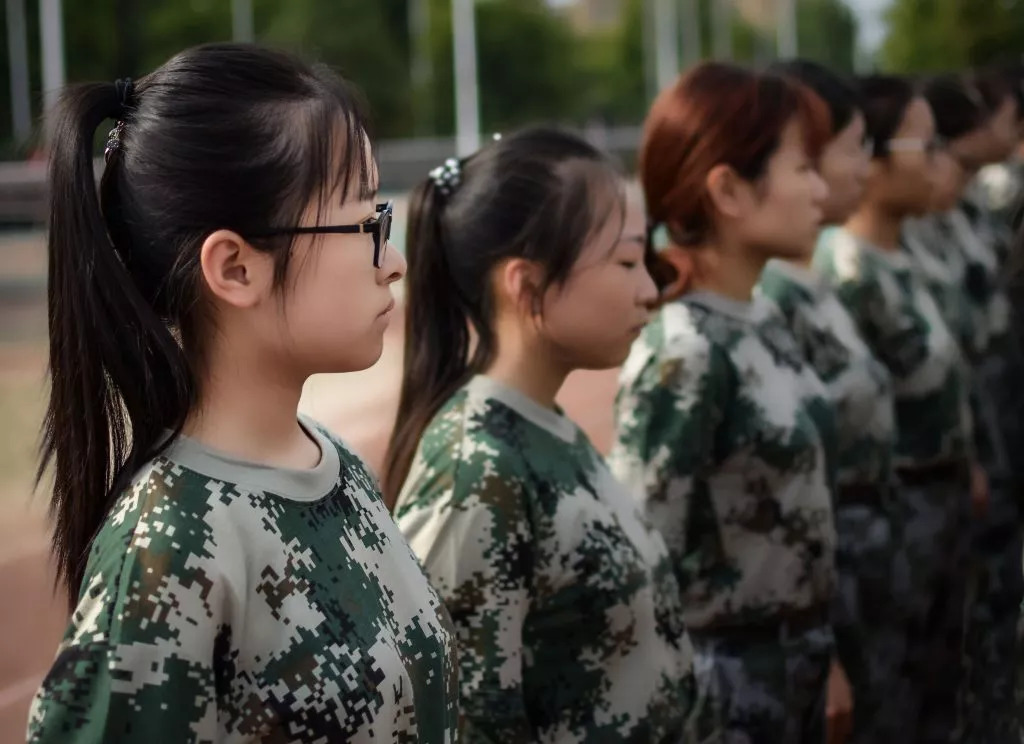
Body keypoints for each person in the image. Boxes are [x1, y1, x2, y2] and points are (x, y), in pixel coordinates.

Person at [27, 43, 458, 743]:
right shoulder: (169, 550)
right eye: (368, 224)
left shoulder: (336, 468)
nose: (396, 261)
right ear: (234, 267)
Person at [383, 128, 692, 743]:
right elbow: (466, 719)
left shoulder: (543, 426)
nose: (650, 290)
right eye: (627, 262)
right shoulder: (478, 466)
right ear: (525, 286)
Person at [610, 62, 837, 743]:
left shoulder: (761, 316)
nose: (820, 191)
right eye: (803, 167)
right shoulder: (685, 353)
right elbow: (646, 568)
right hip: (721, 692)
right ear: (729, 189)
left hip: (796, 664)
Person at [814, 74, 976, 744]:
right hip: (881, 535)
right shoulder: (842, 276)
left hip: (926, 523)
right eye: (925, 143)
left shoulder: (902, 258)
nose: (940, 159)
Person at [759, 58, 908, 744]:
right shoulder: (768, 306)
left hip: (857, 586)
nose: (859, 169)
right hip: (792, 640)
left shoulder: (810, 286)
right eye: (853, 149)